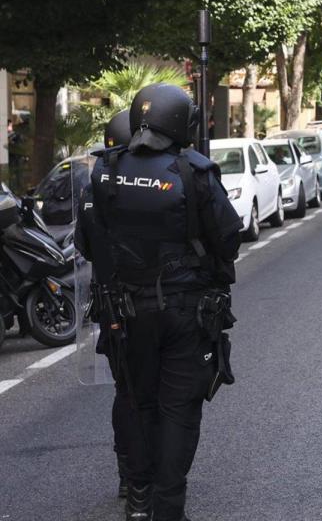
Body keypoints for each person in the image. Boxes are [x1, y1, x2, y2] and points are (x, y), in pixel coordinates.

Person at [88, 83, 242, 521]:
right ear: (178, 121)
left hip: (127, 311)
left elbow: (95, 238)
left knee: (138, 403)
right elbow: (228, 238)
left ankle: (138, 499)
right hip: (184, 311)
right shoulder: (193, 171)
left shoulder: (106, 169)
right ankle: (168, 510)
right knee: (179, 411)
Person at [74, 110, 135, 499]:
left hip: (109, 307)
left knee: (125, 392)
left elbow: (83, 247)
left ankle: (128, 475)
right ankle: (148, 474)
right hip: (145, 306)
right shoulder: (145, 188)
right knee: (154, 393)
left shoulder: (91, 190)